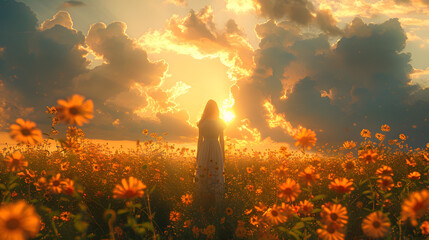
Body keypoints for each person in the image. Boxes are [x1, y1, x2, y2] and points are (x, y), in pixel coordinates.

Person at [194, 99, 226, 214]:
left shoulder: (202, 122)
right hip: (216, 148)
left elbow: (199, 141)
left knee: (203, 172)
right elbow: (222, 140)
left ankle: (203, 203)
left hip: (205, 148)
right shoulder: (220, 122)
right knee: (216, 173)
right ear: (216, 109)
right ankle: (216, 204)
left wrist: (198, 156)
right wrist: (223, 155)